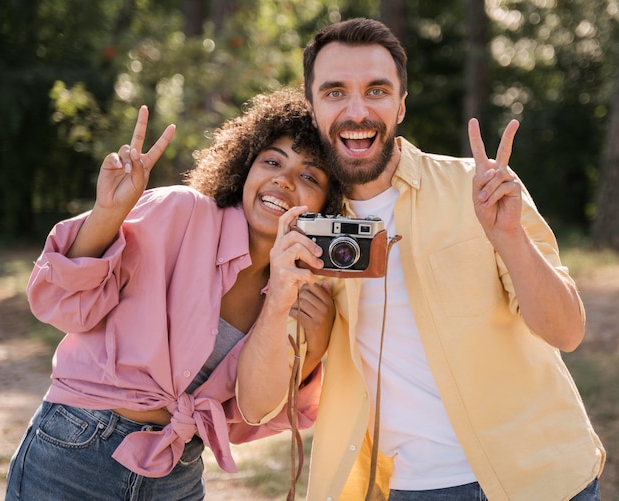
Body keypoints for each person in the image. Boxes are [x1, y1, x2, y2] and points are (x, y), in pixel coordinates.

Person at [237, 18, 605, 501]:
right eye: (334, 93)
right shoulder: (307, 232)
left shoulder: (479, 187)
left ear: (401, 105)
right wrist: (282, 294)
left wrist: (511, 239)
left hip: (541, 476)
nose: (356, 110)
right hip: (414, 489)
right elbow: (257, 406)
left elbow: (566, 332)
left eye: (376, 90)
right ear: (312, 107)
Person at [5, 87, 343, 501]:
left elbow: (249, 416)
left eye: (309, 176)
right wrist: (108, 214)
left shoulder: (300, 291)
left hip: (176, 471)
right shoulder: (181, 212)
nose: (284, 181)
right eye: (272, 160)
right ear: (245, 168)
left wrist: (310, 342)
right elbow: (59, 305)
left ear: (328, 205)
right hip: (78, 448)